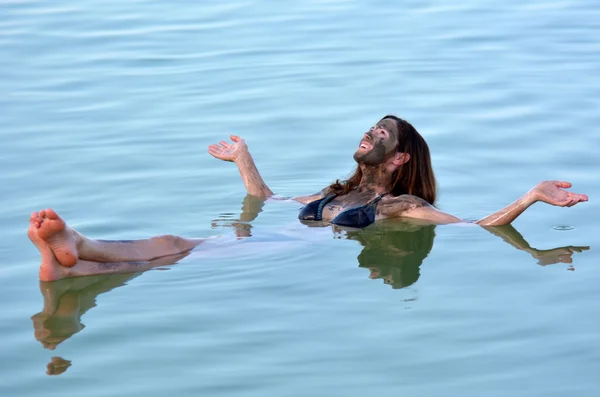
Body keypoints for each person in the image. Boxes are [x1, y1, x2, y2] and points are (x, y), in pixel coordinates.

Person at [29, 115, 588, 281]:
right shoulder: (336, 190)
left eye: (382, 136)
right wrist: (245, 159)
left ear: (399, 160)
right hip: (274, 235)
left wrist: (530, 197)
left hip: (283, 252)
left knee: (178, 245)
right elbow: (267, 200)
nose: (370, 134)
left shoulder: (399, 208)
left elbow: (473, 225)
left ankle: (80, 242)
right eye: (371, 129)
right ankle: (68, 270)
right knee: (175, 250)